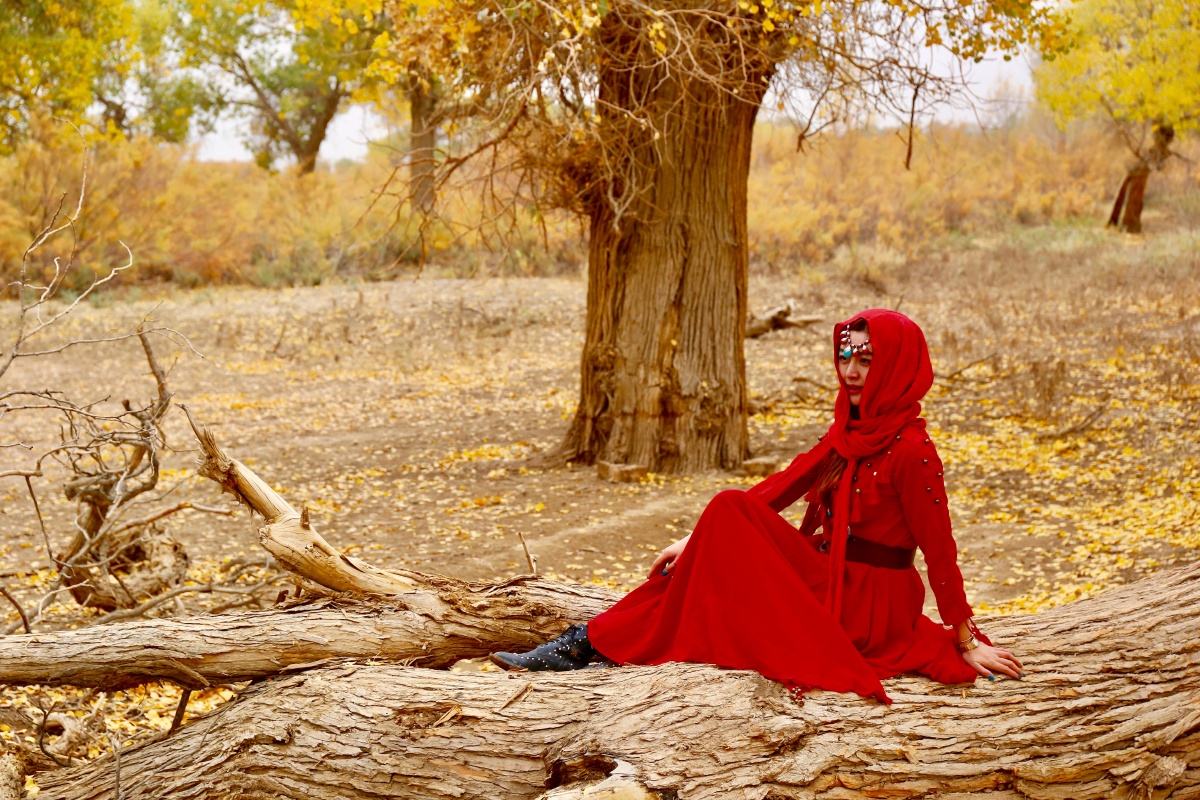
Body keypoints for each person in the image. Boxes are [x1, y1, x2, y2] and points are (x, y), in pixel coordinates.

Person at [490, 309, 1023, 702]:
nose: (851, 370)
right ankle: (585, 641)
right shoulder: (849, 431)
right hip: (826, 572)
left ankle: (586, 644)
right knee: (711, 545)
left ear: (896, 365)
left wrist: (963, 637)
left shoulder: (912, 451)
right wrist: (697, 542)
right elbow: (783, 486)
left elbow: (940, 549)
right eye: (845, 355)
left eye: (866, 358)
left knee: (723, 519)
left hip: (868, 605)